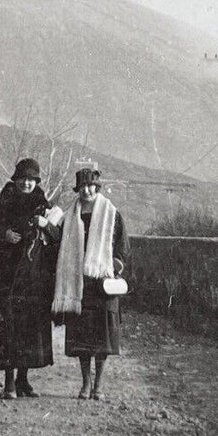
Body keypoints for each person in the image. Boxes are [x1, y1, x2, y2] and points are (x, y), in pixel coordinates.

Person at [0, 157, 60, 399]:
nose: (27, 183)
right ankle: (9, 382)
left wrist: (47, 225)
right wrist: (4, 235)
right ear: (15, 180)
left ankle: (23, 380)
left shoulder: (45, 207)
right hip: (7, 278)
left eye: (31, 180)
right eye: (23, 179)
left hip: (35, 280)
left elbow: (58, 238)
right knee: (8, 326)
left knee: (30, 329)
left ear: (36, 182)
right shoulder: (1, 205)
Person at [51, 167, 129, 401]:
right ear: (78, 189)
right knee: (82, 336)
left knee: (103, 336)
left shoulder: (111, 213)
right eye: (83, 186)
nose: (87, 190)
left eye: (91, 186)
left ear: (97, 187)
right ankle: (85, 384)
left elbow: (122, 245)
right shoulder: (70, 215)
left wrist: (114, 265)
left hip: (101, 283)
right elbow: (57, 241)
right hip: (79, 282)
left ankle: (99, 385)